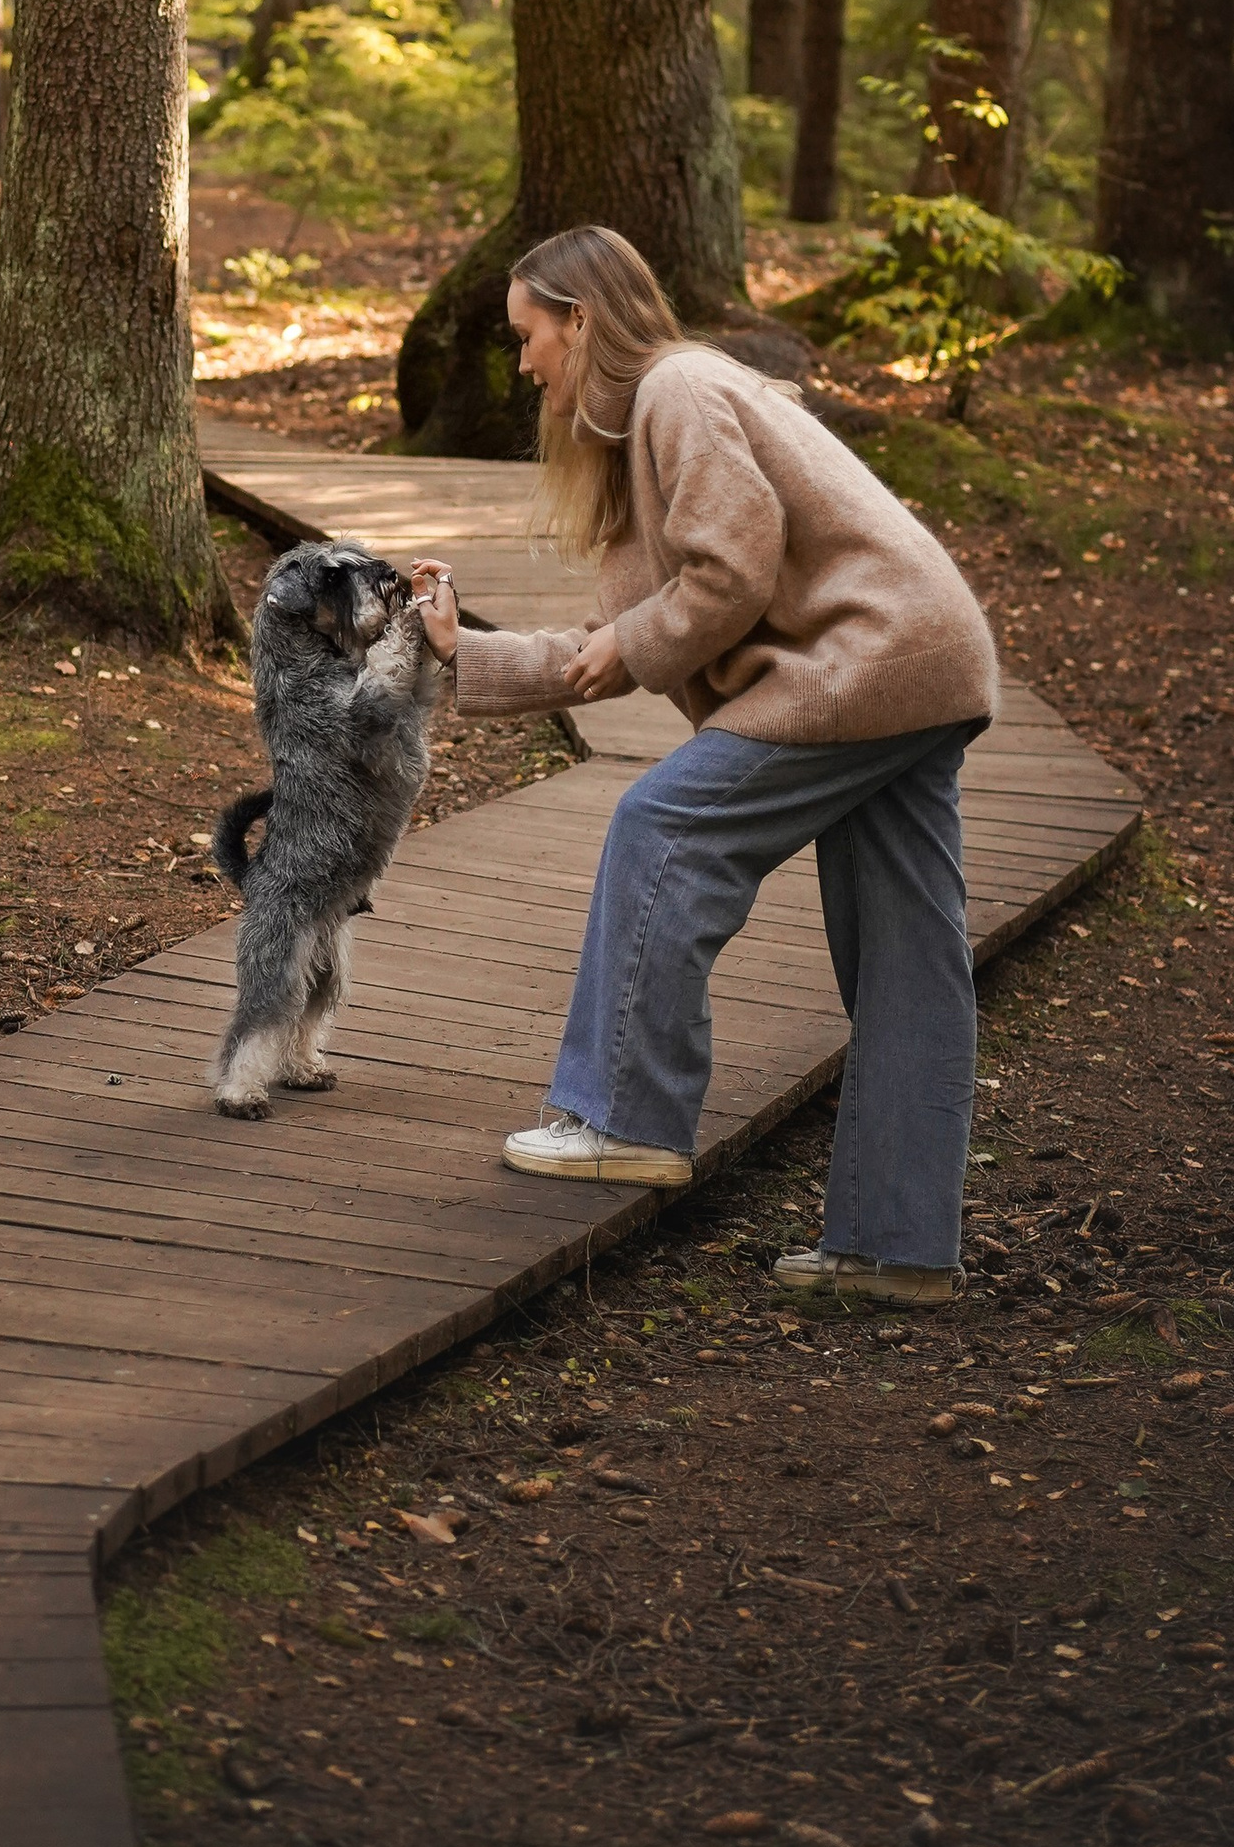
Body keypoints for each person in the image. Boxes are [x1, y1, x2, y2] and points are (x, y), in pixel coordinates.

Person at [409, 222, 998, 1310]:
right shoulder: (661, 416)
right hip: (919, 662)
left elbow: (730, 573)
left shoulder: (677, 390)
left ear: (581, 320)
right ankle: (899, 1247)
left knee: (664, 828)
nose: (523, 363)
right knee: (908, 955)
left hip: (863, 666)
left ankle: (627, 1118)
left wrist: (634, 643)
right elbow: (621, 642)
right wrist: (464, 653)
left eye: (529, 336)